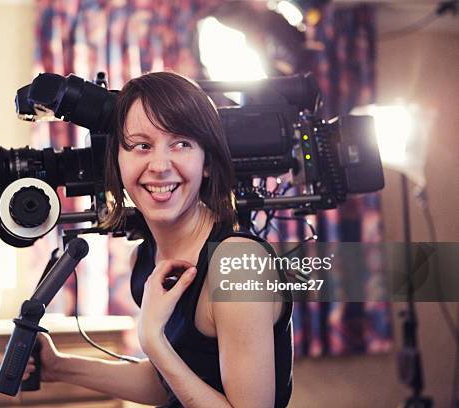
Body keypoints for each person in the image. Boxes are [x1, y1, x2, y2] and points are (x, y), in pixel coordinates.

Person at [24, 71, 293, 407]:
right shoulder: (147, 259)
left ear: (206, 161)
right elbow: (170, 384)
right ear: (118, 162)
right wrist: (59, 367)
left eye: (181, 143)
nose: (160, 165)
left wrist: (152, 340)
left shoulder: (238, 265)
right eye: (141, 146)